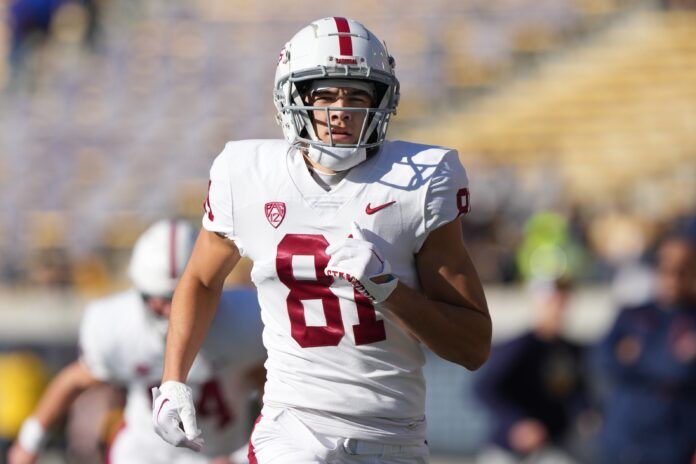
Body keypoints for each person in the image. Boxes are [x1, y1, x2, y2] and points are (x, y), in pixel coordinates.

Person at [152, 17, 491, 464]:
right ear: (293, 99)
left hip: (395, 433)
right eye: (325, 94)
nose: (341, 111)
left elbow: (471, 346)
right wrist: (174, 379)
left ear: (381, 100)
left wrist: (387, 289)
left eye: (357, 95)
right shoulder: (247, 174)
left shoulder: (419, 183)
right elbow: (200, 278)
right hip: (294, 426)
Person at [8, 219, 266, 464]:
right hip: (147, 453)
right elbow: (75, 381)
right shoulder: (117, 327)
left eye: (181, 296)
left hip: (221, 451)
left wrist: (242, 454)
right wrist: (29, 443)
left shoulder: (245, 321)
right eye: (162, 299)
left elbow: (271, 391)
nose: (172, 310)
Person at [594, 233, 696, 464]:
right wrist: (672, 358)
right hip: (626, 442)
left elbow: (682, 371)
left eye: (683, 268)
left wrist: (638, 356)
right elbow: (603, 361)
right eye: (665, 267)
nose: (673, 277)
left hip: (677, 444)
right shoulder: (633, 315)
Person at [474, 279, 593, 464]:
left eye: (563, 301)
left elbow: (574, 391)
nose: (558, 309)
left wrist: (587, 412)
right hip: (510, 450)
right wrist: (517, 422)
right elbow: (484, 389)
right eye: (553, 302)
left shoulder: (569, 349)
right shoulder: (520, 347)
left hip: (552, 443)